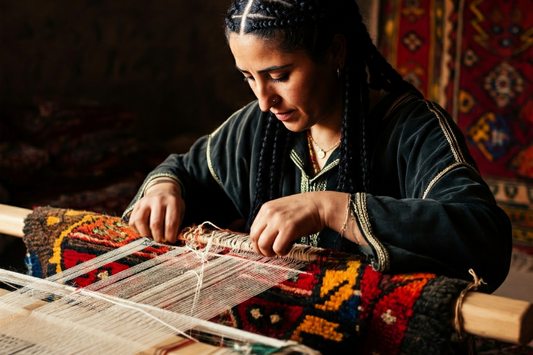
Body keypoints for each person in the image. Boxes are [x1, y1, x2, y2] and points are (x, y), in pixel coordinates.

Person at [123, 0, 512, 291]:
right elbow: (183, 171)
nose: (263, 100)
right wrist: (163, 189)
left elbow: (484, 239)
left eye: (279, 75)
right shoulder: (256, 128)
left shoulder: (413, 129)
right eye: (248, 77)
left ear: (336, 52)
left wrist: (331, 207)